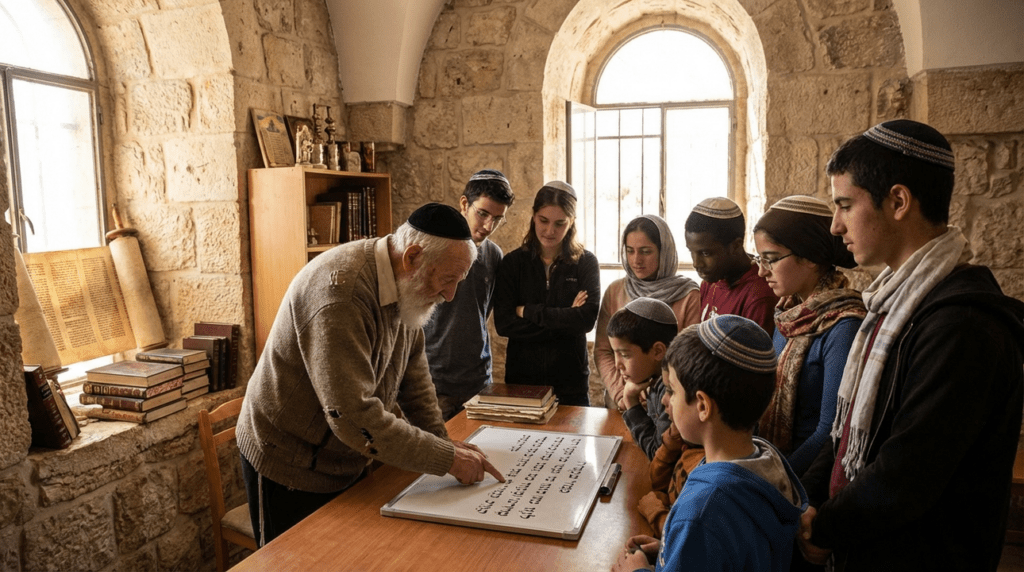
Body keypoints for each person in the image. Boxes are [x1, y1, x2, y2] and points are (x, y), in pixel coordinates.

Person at [797, 120, 1024, 570]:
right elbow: (846, 435)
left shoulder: (962, 325)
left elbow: (908, 473)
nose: (835, 226)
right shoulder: (892, 302)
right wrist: (808, 500)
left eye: (844, 205)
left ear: (898, 201)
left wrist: (825, 528)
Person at [236, 203, 505, 546]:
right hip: (288, 460)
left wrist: (440, 440)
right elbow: (351, 415)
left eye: (459, 281)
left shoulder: (408, 284)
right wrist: (447, 459)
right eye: (447, 280)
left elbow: (415, 374)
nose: (450, 295)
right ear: (413, 257)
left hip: (342, 455)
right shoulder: (342, 295)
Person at [614, 315, 808, 572]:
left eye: (671, 391)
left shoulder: (704, 508)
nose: (664, 401)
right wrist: (671, 548)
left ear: (703, 406)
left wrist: (636, 570)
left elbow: (709, 526)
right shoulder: (765, 458)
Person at [752, 195, 866, 477]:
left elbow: (828, 431)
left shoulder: (843, 326)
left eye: (771, 259)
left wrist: (771, 479)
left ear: (811, 258)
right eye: (759, 259)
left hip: (805, 478)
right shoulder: (789, 315)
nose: (761, 271)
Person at [494, 181, 600, 406]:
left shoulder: (586, 263)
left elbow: (586, 320)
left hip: (571, 385)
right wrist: (565, 318)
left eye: (559, 223)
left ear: (571, 222)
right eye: (543, 221)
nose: (550, 231)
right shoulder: (512, 263)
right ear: (533, 216)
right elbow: (504, 324)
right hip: (522, 383)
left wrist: (527, 311)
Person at [423, 169, 515, 420]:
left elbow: (483, 313)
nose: (488, 226)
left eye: (497, 218)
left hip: (479, 381)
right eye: (483, 213)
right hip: (433, 382)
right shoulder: (433, 247)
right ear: (464, 204)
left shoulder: (494, 255)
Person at [595, 215, 700, 410]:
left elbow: (687, 359)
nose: (636, 260)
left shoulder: (688, 296)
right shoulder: (615, 291)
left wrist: (658, 392)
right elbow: (603, 351)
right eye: (630, 251)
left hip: (668, 407)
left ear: (664, 252)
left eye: (646, 251)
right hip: (620, 405)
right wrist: (622, 395)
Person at [684, 197, 778, 335]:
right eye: (691, 252)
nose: (696, 263)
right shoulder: (710, 283)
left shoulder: (759, 297)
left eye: (705, 253)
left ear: (735, 246)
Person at [607, 297, 679, 459]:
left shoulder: (672, 393)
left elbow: (658, 454)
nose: (618, 365)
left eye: (625, 355)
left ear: (658, 351)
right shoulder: (653, 377)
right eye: (614, 353)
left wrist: (630, 400)